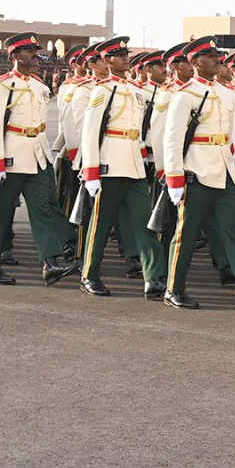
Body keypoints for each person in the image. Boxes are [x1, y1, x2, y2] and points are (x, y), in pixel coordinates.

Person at [161, 36, 235, 311]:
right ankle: (173, 288)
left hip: (226, 171)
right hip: (197, 172)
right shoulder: (185, 95)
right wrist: (174, 178)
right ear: (195, 62)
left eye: (218, 55)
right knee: (186, 234)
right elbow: (172, 139)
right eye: (210, 56)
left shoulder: (229, 94)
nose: (218, 59)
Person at [0, 32, 80, 285]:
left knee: (42, 210)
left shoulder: (40, 86)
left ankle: (50, 262)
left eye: (36, 51)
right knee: (0, 213)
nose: (36, 55)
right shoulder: (2, 85)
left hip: (37, 155)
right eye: (29, 51)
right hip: (11, 157)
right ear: (15, 55)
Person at [77, 37, 168, 298]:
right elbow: (90, 133)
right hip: (109, 167)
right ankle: (89, 275)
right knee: (101, 225)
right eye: (119, 54)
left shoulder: (135, 90)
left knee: (145, 224)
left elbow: (137, 131)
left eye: (126, 53)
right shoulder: (102, 91)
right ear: (107, 60)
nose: (125, 58)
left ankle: (153, 276)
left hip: (134, 167)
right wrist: (91, 171)